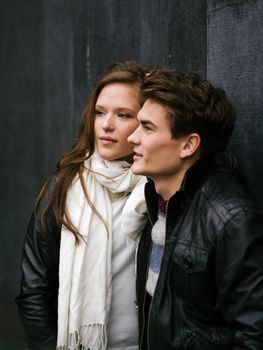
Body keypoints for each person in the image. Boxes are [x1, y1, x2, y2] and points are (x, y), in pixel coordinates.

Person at [16, 61, 148, 350]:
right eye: (100, 112)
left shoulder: (157, 190)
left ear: (146, 123)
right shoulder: (65, 187)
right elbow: (35, 289)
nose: (106, 124)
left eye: (123, 114)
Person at [127, 68, 263, 349]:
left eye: (148, 127)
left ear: (188, 145)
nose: (132, 137)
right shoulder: (155, 201)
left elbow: (253, 336)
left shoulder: (232, 219)